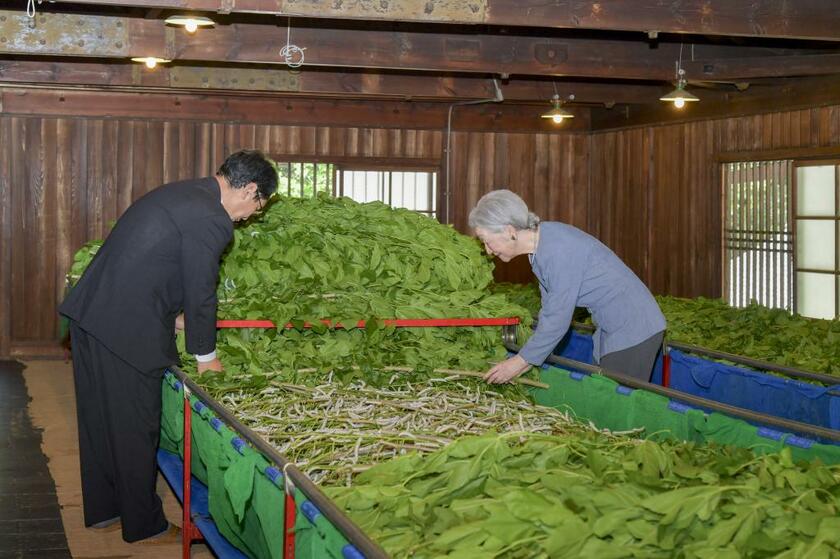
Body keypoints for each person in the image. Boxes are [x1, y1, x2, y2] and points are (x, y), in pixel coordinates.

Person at [58, 150, 277, 544]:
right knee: (136, 428)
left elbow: (154, 261)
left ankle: (105, 510)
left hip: (93, 314)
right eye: (258, 206)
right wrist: (206, 357)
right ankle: (144, 526)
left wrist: (172, 316)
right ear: (250, 190)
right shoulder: (213, 219)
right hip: (124, 329)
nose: (252, 215)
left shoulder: (185, 194)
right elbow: (201, 291)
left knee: (100, 422)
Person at [469, 189, 666, 385]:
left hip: (634, 327)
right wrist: (529, 354)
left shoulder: (558, 250)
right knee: (601, 390)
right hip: (611, 326)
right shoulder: (541, 248)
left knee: (615, 401)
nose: (488, 250)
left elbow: (558, 318)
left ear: (509, 231)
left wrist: (519, 362)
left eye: (487, 241)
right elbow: (550, 308)